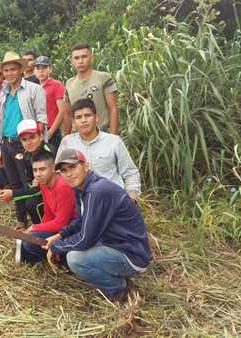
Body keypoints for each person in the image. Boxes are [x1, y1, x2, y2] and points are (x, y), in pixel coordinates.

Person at [44, 148, 151, 302]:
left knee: (75, 259)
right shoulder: (80, 188)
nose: (69, 174)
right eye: (63, 170)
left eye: (73, 167)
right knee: (71, 250)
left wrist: (56, 247)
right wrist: (59, 236)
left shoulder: (96, 191)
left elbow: (86, 239)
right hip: (114, 243)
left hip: (131, 254)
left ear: (86, 166)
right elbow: (80, 221)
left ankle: (120, 289)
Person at [0, 51, 47, 226]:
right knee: (14, 181)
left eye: (13, 69)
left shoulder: (34, 89)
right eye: (6, 70)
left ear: (21, 70)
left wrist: (37, 146)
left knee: (29, 181)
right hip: (7, 142)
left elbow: (41, 118)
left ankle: (37, 220)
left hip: (24, 143)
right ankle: (21, 219)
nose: (9, 73)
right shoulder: (2, 93)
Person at [56, 98, 141, 199]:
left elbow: (130, 172)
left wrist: (131, 197)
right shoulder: (68, 142)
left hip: (112, 199)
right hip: (81, 201)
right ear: (73, 122)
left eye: (88, 115)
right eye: (79, 117)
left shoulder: (113, 141)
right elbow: (59, 173)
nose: (83, 120)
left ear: (96, 118)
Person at [16, 151, 75, 264]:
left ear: (53, 168)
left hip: (70, 231)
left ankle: (60, 259)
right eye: (35, 170)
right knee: (29, 239)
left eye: (42, 169)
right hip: (59, 228)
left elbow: (61, 223)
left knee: (30, 241)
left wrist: (34, 228)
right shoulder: (43, 184)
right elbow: (48, 214)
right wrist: (38, 228)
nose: (38, 174)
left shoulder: (63, 187)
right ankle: (42, 257)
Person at [0, 119, 54, 229]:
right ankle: (38, 227)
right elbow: (29, 184)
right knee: (30, 200)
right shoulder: (27, 156)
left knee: (32, 202)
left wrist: (13, 194)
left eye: (32, 137)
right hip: (42, 192)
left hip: (55, 196)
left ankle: (45, 229)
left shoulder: (47, 152)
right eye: (24, 139)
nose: (28, 142)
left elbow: (39, 189)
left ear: (40, 136)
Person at [64, 43, 119, 134]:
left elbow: (113, 108)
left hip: (101, 132)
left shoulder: (103, 78)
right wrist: (66, 139)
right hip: (77, 136)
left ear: (91, 57)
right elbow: (67, 114)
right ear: (72, 61)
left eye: (84, 57)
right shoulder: (69, 83)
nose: (80, 61)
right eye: (76, 58)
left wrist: (113, 137)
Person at [34, 56, 66, 150]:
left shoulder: (56, 85)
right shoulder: (34, 88)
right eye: (38, 68)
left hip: (52, 131)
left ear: (50, 69)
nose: (41, 71)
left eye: (44, 68)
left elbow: (62, 111)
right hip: (38, 131)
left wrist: (50, 133)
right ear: (34, 71)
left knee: (52, 161)